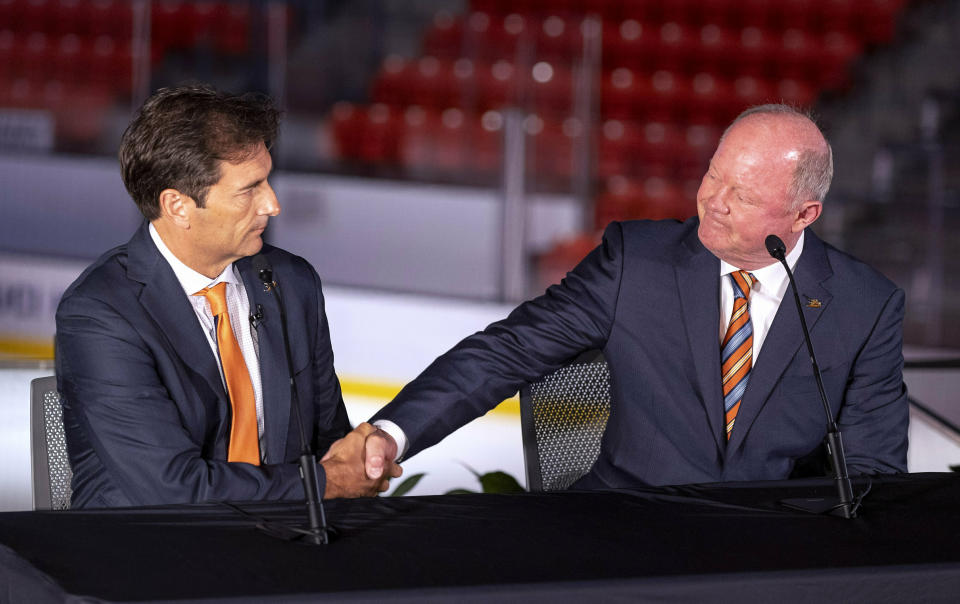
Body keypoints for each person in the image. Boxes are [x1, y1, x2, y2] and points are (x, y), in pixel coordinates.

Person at [343, 104, 909, 488]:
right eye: (714, 175)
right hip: (627, 529)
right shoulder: (635, 262)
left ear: (804, 213)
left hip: (769, 546)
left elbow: (871, 470)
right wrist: (394, 433)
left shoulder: (865, 305)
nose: (713, 200)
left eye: (742, 193)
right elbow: (505, 352)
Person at [56, 84, 400, 508]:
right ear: (177, 206)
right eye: (249, 189)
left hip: (285, 543)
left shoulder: (292, 282)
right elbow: (173, 490)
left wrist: (359, 458)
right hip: (148, 554)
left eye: (267, 181)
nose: (272, 204)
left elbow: (328, 442)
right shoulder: (100, 314)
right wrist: (320, 484)